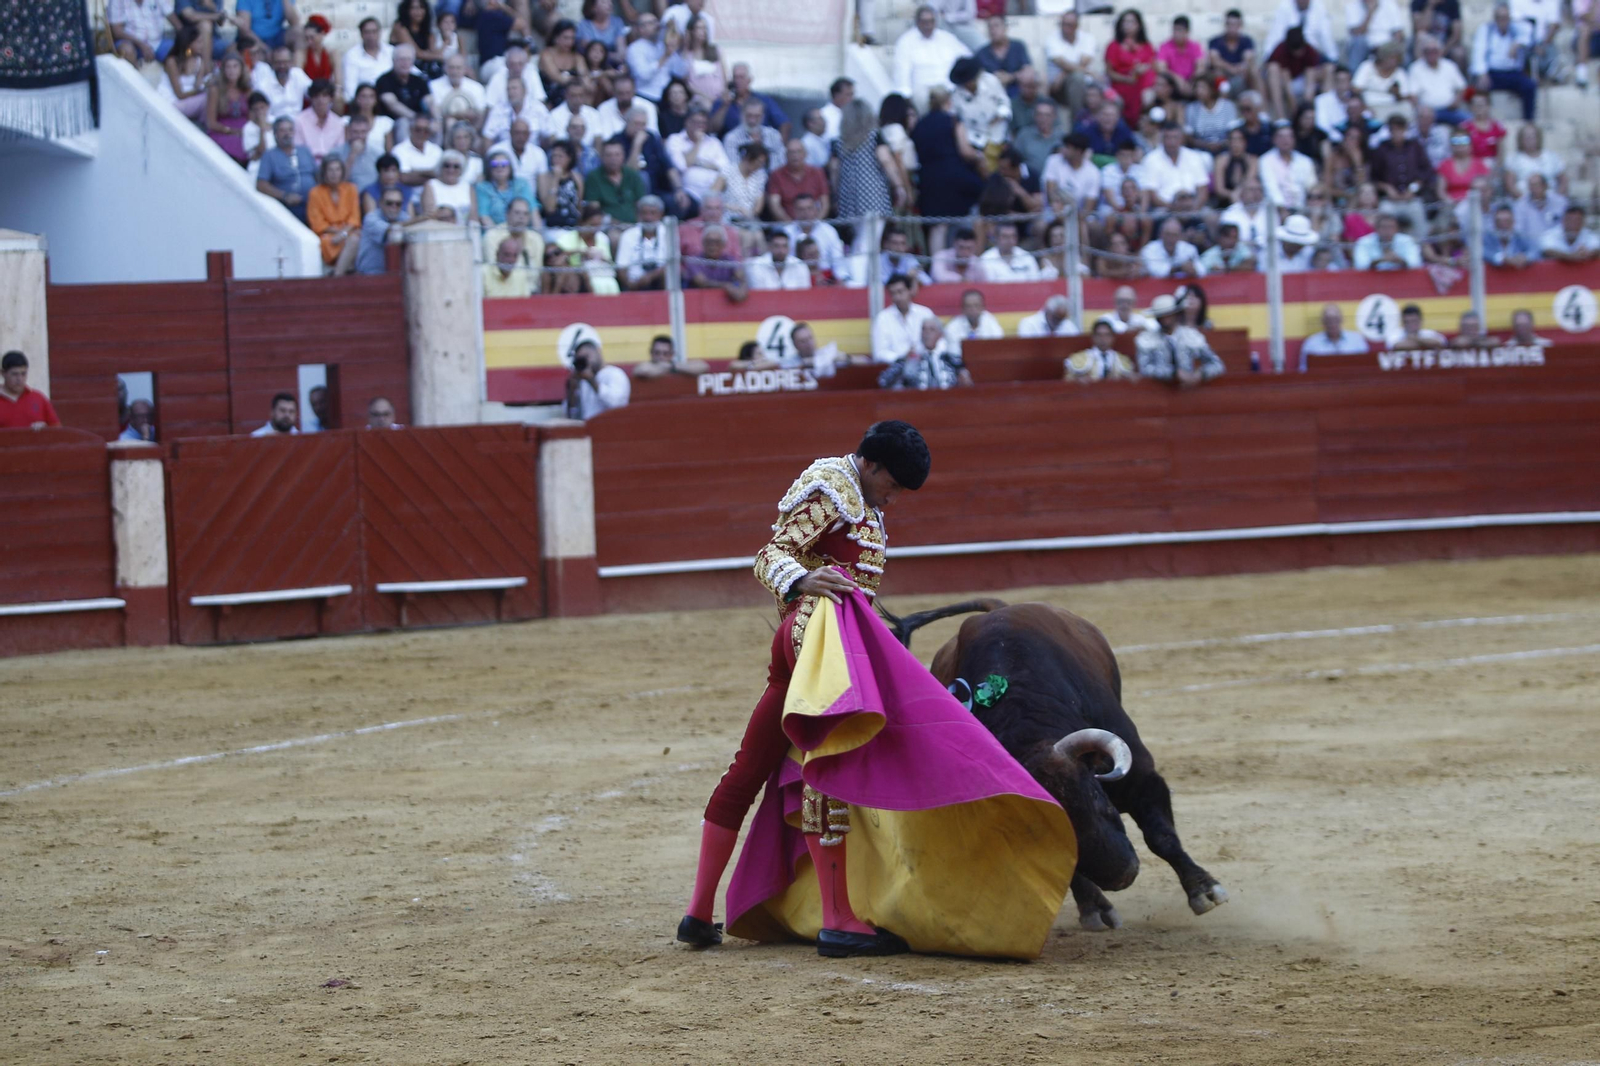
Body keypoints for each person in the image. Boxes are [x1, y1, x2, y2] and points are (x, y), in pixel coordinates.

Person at [678, 422, 934, 957]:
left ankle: (698, 915)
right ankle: (839, 919)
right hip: (816, 644)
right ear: (874, 466)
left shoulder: (856, 493)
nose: (895, 498)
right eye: (895, 486)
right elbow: (771, 554)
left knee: (748, 768)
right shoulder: (835, 490)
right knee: (827, 764)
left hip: (812, 643)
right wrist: (802, 582)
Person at [1136, 294, 1224, 386]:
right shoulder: (1147, 339)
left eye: (1168, 314)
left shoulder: (1191, 335)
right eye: (1161, 315)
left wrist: (1200, 374)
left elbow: (1217, 365)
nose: (1164, 318)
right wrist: (1172, 374)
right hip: (1159, 392)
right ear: (1156, 318)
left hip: (1189, 390)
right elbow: (1144, 369)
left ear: (1175, 314)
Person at [894, 4, 972, 108]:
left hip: (948, 89)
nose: (928, 25)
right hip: (923, 91)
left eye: (931, 21)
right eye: (924, 22)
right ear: (917, 22)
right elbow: (902, 72)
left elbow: (966, 57)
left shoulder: (947, 38)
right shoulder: (906, 42)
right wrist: (906, 96)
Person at [1367, 114, 1433, 236]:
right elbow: (1374, 177)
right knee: (1384, 213)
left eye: (1400, 129)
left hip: (1411, 198)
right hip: (1390, 200)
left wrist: (1413, 188)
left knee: (1418, 213)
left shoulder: (1415, 146)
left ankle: (1420, 249)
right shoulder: (1381, 149)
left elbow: (1426, 171)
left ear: (1405, 130)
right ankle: (1384, 249)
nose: (1397, 133)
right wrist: (1387, 188)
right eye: (1393, 130)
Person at [1469, 4, 1537, 121]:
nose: (1503, 21)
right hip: (1493, 73)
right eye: (1500, 18)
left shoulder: (1517, 29)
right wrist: (1482, 73)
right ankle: (1481, 122)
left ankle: (1528, 120)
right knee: (1480, 88)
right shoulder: (1486, 30)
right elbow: (1478, 52)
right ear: (1495, 19)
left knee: (1529, 86)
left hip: (1513, 73)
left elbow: (1530, 33)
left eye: (1505, 18)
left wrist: (1518, 43)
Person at [877, 319, 971, 391]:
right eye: (924, 329)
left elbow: (968, 385)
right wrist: (904, 362)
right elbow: (883, 381)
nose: (927, 333)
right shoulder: (910, 358)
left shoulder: (951, 360)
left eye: (932, 330)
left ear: (940, 335)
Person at [307, 156, 362, 274]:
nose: (334, 174)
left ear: (342, 172)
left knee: (355, 239)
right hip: (329, 235)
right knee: (351, 240)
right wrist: (339, 234)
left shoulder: (351, 189)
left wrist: (343, 234)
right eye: (330, 170)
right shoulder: (315, 193)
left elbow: (354, 219)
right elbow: (318, 223)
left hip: (348, 232)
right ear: (324, 173)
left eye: (337, 170)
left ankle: (337, 275)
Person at [950, 56, 1011, 160]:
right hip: (975, 142)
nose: (969, 84)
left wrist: (999, 116)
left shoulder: (991, 81)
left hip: (999, 135)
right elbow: (957, 120)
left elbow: (1004, 102)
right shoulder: (956, 95)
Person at [257, 117, 317, 222]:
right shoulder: (270, 155)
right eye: (282, 130)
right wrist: (284, 196)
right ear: (275, 134)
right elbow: (261, 184)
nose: (287, 133)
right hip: (289, 206)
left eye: (290, 130)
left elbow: (318, 175)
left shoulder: (304, 150)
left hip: (313, 203)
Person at [356, 185, 426, 274]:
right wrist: (418, 220)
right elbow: (391, 231)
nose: (394, 207)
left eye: (398, 204)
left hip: (397, 274)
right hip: (369, 274)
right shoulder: (371, 218)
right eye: (389, 203)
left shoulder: (403, 217)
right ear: (380, 203)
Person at [871, 275, 935, 365]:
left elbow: (939, 342)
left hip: (925, 365)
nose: (897, 297)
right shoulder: (883, 318)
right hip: (896, 369)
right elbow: (879, 354)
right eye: (893, 293)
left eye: (900, 292)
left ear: (910, 291)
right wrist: (902, 358)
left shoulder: (925, 313)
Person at [562, 339, 631, 419]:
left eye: (587, 356)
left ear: (598, 351)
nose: (587, 361)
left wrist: (591, 381)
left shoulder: (615, 374)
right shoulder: (582, 380)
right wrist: (572, 390)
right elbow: (570, 413)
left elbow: (616, 404)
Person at [206, 52, 255, 164]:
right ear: (223, 70)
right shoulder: (216, 90)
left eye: (235, 66)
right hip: (222, 131)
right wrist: (231, 131)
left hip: (244, 130)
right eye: (228, 67)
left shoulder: (247, 90)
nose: (231, 70)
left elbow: (252, 117)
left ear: (241, 69)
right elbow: (211, 123)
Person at [1259, 124, 1320, 212]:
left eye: (1289, 136)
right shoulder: (1265, 160)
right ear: (1274, 139)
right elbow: (1271, 188)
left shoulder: (1306, 161)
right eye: (1281, 136)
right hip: (1275, 210)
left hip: (1303, 209)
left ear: (1294, 139)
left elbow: (1312, 187)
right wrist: (1281, 208)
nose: (1285, 140)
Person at [0, 352, 61, 430]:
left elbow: (57, 429)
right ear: (3, 373)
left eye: (23, 374)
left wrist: (45, 429)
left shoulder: (38, 398)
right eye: (14, 374)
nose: (19, 379)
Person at [976, 14, 1031, 99]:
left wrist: (1010, 77)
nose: (993, 30)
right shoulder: (982, 52)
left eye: (996, 26)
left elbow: (1028, 71)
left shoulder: (1018, 46)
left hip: (1017, 92)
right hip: (991, 95)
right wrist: (994, 79)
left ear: (1005, 28)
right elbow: (977, 77)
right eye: (990, 27)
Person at [683, 225, 746, 300]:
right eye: (709, 242)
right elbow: (702, 282)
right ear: (703, 243)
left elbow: (741, 276)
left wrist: (743, 289)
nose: (712, 246)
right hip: (698, 301)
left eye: (717, 242)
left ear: (724, 244)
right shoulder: (694, 261)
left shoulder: (729, 259)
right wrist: (726, 286)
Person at [1299, 303, 1370, 369]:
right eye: (1329, 320)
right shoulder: (1312, 343)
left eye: (1335, 319)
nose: (1332, 323)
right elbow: (1304, 370)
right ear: (1323, 322)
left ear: (1341, 319)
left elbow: (1367, 367)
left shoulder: (1357, 340)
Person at [110, 0, 178, 67]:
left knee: (178, 50)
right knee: (127, 50)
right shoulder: (117, 1)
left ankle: (176, 77)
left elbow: (172, 16)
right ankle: (134, 77)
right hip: (131, 42)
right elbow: (117, 32)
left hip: (158, 42)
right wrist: (141, 44)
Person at [1065, 321, 1137, 382]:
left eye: (1107, 335)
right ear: (1093, 337)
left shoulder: (1122, 359)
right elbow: (1067, 381)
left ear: (1112, 338)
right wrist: (1077, 380)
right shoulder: (1079, 358)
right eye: (1099, 335)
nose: (1103, 339)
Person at [1352, 211, 1423, 270]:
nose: (1387, 230)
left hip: (1402, 279)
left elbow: (1416, 263)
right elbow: (1360, 266)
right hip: (1373, 281)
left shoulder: (1407, 240)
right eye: (1384, 227)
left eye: (1391, 227)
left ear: (1397, 228)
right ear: (1376, 228)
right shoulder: (1364, 242)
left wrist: (1400, 261)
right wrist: (1379, 260)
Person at [942, 289, 1003, 357]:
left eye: (976, 305)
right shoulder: (952, 327)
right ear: (963, 309)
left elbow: (998, 349)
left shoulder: (991, 322)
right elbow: (954, 354)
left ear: (983, 307)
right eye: (968, 306)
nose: (973, 309)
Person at [1141, 217, 1205, 279]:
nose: (1171, 239)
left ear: (1180, 236)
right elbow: (1155, 271)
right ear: (1160, 235)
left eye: (1174, 235)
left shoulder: (1189, 249)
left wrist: (1193, 270)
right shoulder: (1149, 249)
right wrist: (1179, 268)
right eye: (1168, 234)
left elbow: (1202, 270)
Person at [747, 230, 811, 290]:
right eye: (776, 246)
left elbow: (805, 293)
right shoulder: (757, 265)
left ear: (789, 248)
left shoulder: (800, 265)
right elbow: (759, 293)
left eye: (784, 246)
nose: (781, 251)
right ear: (769, 247)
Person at [632, 335, 711, 380]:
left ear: (672, 354)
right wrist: (665, 367)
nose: (661, 357)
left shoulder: (676, 367)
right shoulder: (646, 366)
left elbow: (704, 366)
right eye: (657, 353)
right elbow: (642, 370)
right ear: (651, 352)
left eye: (665, 353)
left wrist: (673, 366)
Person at [1484, 203, 1537, 268]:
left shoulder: (1520, 237)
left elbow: (1535, 250)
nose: (1503, 226)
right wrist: (1502, 258)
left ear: (1513, 222)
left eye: (1507, 221)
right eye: (1499, 222)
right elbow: (1483, 252)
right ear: (1494, 223)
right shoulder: (1488, 238)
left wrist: (1525, 258)